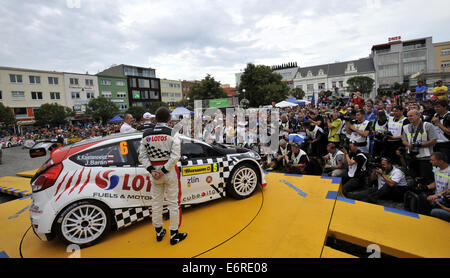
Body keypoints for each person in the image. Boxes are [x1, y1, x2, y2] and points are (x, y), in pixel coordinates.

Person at [138, 107, 187, 245]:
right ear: (169, 119)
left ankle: (159, 232)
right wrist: (164, 170)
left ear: (155, 119)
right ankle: (174, 235)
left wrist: (152, 170)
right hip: (169, 171)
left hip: (154, 172)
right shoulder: (173, 133)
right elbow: (175, 156)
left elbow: (142, 156)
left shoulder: (146, 134)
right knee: (173, 204)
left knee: (156, 203)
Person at [402, 109, 437, 185]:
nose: (409, 118)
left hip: (425, 157)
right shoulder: (406, 127)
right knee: (414, 179)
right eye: (408, 116)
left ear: (418, 115)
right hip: (412, 157)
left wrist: (419, 145)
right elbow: (403, 140)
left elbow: (434, 140)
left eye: (411, 116)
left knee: (426, 179)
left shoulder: (427, 125)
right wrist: (408, 145)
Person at [416, 152, 450, 217]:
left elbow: (449, 191)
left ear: (441, 161)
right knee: (421, 195)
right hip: (437, 195)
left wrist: (436, 196)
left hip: (445, 198)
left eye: (432, 160)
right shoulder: (437, 169)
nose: (430, 161)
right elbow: (436, 183)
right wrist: (425, 187)